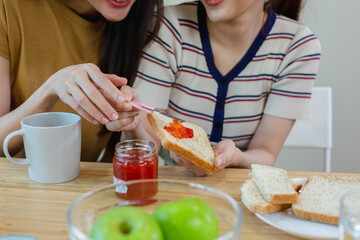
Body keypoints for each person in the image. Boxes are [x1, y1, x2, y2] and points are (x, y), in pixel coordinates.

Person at [106, 0, 321, 176]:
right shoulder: (169, 26)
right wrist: (132, 123)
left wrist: (236, 158)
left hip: (240, 188)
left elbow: (265, 153)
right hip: (171, 186)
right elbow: (148, 140)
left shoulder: (297, 46)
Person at [0, 0, 163, 162]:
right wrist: (50, 90)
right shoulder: (8, 7)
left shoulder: (143, 18)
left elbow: (126, 159)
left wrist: (131, 125)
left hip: (86, 184)